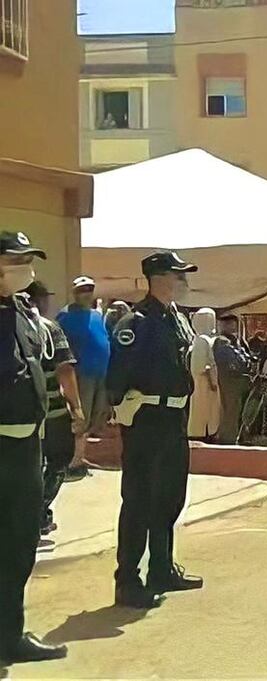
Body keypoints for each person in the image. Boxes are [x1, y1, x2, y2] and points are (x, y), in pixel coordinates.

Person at [107, 251, 205, 609]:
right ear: (159, 278)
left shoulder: (176, 319)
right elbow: (117, 376)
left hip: (174, 420)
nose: (183, 281)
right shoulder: (137, 322)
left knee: (169, 498)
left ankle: (162, 568)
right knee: (138, 501)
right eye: (178, 275)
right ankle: (128, 580)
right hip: (147, 419)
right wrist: (123, 412)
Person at [0, 232, 69, 663]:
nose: (26, 268)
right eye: (16, 260)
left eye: (29, 260)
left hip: (26, 444)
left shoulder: (23, 314)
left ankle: (11, 635)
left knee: (20, 542)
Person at [24, 282, 83, 538]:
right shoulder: (49, 329)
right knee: (58, 461)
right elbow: (65, 369)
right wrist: (77, 407)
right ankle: (38, 512)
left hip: (19, 415)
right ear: (39, 300)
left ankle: (35, 515)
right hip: (52, 411)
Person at [56, 275, 111, 478]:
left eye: (89, 289)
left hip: (101, 373)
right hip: (82, 373)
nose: (86, 293)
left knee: (95, 417)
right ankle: (73, 461)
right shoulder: (65, 316)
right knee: (80, 417)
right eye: (81, 290)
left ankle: (80, 455)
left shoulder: (97, 315)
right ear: (74, 293)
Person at [213, 312, 255, 444]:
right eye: (229, 323)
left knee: (238, 412)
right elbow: (237, 362)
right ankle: (228, 440)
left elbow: (245, 357)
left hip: (237, 381)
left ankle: (236, 437)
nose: (232, 326)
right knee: (230, 412)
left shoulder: (234, 341)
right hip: (229, 381)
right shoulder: (222, 342)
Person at [187, 308, 221, 441]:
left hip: (202, 382)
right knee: (204, 411)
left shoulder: (198, 339)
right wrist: (213, 381)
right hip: (203, 383)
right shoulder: (203, 340)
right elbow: (203, 366)